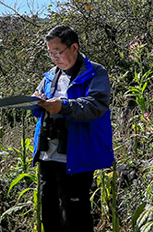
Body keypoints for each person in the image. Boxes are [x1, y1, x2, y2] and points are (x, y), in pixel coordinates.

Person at [30, 25, 114, 232]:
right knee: (50, 214)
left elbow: (96, 105)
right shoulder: (50, 75)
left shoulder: (96, 73)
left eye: (57, 52)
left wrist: (64, 106)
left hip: (76, 155)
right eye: (50, 53)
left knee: (75, 216)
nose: (54, 58)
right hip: (48, 154)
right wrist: (36, 101)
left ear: (74, 47)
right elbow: (39, 108)